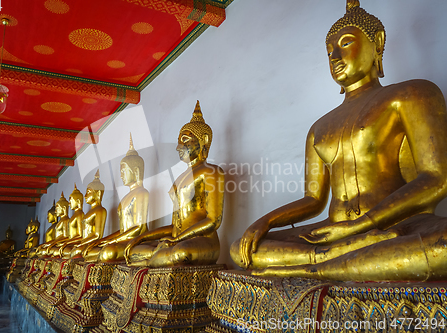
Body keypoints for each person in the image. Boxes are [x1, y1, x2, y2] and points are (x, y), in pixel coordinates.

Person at [230, 0, 447, 281]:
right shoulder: (319, 128)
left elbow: (437, 178)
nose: (334, 55)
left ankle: (311, 268)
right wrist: (264, 222)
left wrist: (363, 224)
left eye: (345, 43)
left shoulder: (411, 94)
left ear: (377, 43)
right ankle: (339, 259)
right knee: (242, 248)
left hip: (397, 226)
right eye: (329, 49)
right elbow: (312, 199)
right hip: (332, 232)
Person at [125, 101, 225, 267]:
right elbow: (174, 226)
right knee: (137, 248)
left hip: (202, 242)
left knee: (180, 252)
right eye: (179, 141)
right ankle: (155, 257)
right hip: (176, 241)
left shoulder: (211, 172)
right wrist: (142, 237)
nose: (179, 146)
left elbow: (213, 221)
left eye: (185, 140)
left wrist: (178, 238)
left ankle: (155, 258)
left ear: (204, 140)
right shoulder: (179, 178)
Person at [82, 135, 149, 262]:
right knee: (92, 250)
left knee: (108, 252)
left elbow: (139, 228)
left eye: (123, 171)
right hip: (124, 239)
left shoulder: (142, 193)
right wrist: (102, 241)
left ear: (135, 171)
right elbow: (123, 230)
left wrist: (112, 241)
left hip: (136, 240)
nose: (121, 175)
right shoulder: (125, 198)